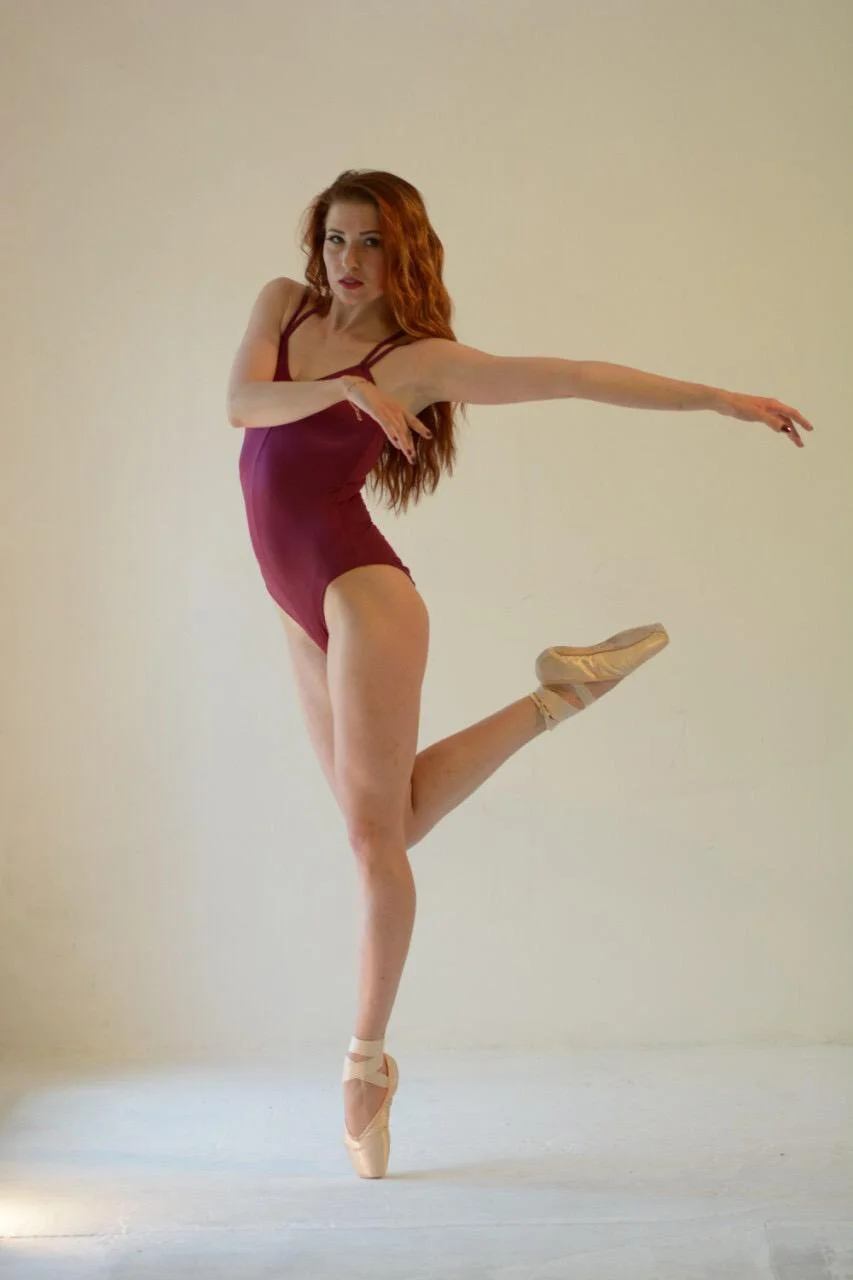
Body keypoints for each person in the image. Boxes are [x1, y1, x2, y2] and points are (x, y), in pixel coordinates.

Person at [226, 169, 814, 1179]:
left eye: (371, 243)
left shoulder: (418, 360)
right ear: (314, 245)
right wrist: (343, 388)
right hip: (297, 608)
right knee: (391, 824)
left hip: (361, 596)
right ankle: (557, 696)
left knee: (374, 843)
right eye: (335, 240)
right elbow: (240, 403)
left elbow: (571, 374)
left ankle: (365, 1065)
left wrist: (717, 398)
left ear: (403, 252)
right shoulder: (282, 308)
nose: (348, 261)